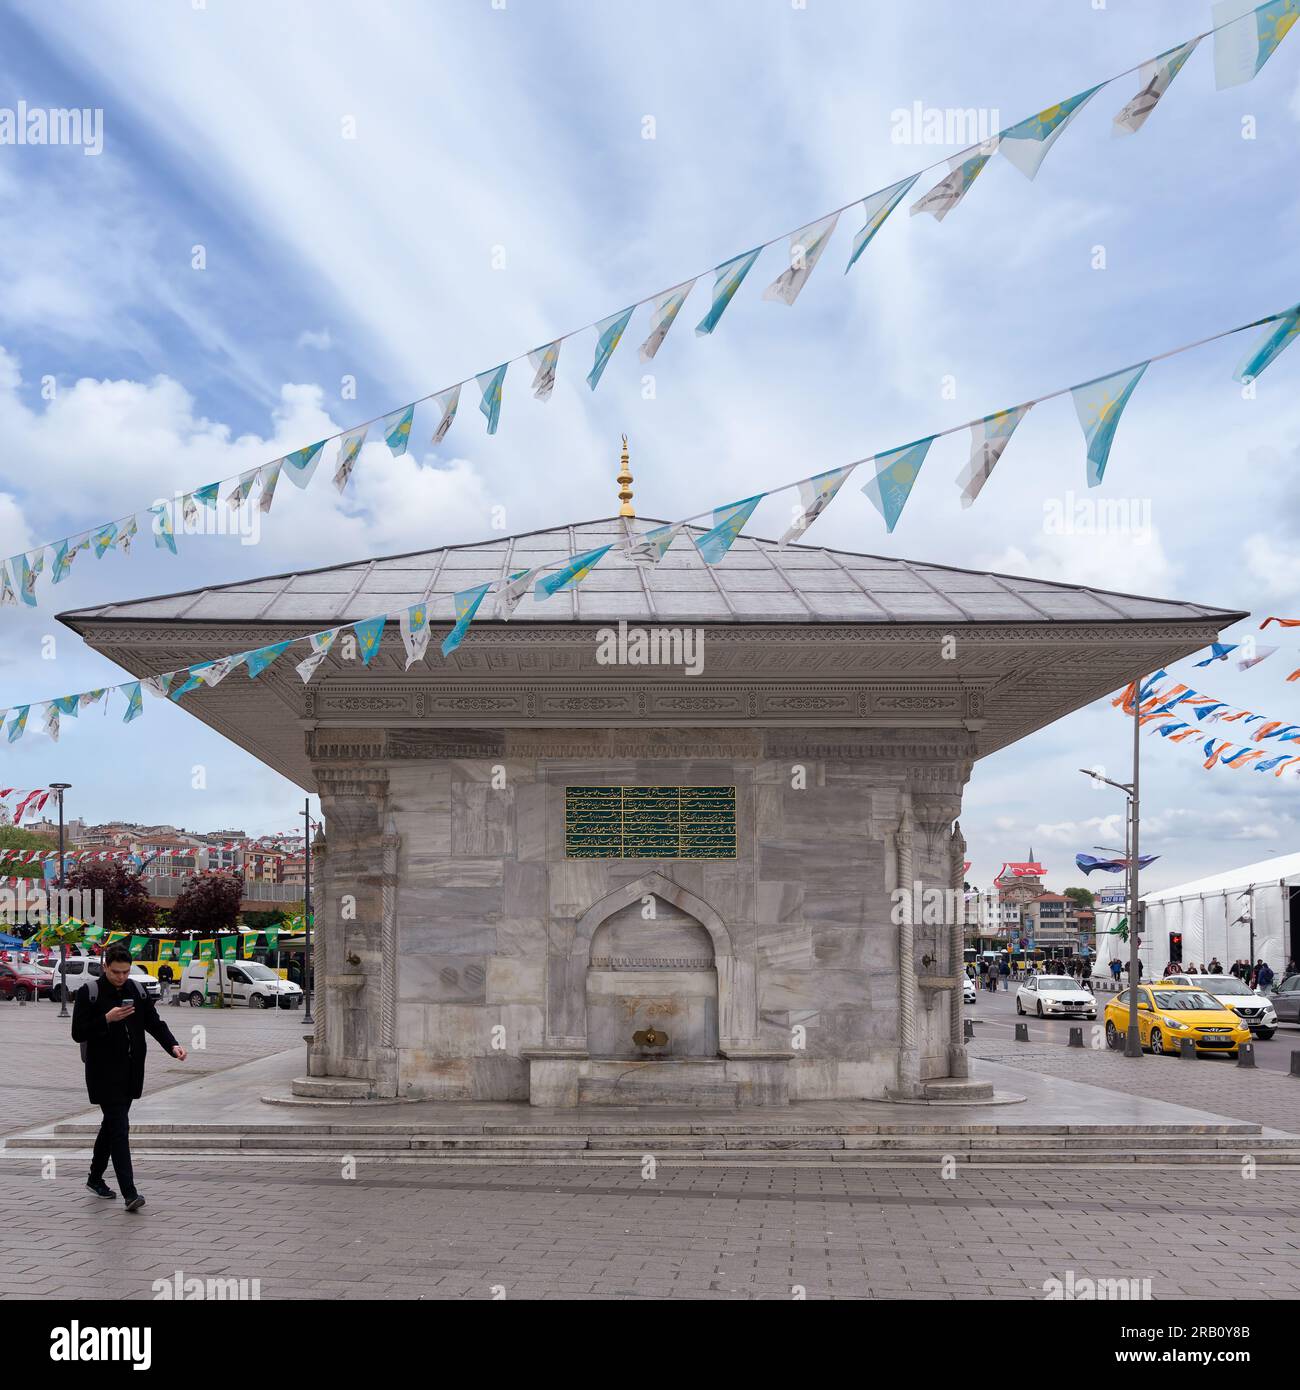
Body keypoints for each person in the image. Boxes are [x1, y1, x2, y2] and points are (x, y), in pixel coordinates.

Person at [71, 943, 188, 1213]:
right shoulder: (90, 992)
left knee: (111, 1126)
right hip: (103, 1072)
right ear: (105, 967)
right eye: (115, 972)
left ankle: (94, 1178)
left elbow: (154, 1022)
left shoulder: (137, 990)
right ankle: (130, 1193)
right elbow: (78, 1033)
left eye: (125, 972)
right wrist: (107, 1019)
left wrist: (173, 1046)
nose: (121, 977)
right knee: (120, 1129)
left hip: (132, 1071)